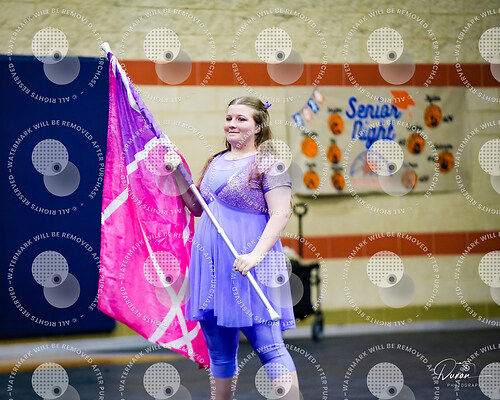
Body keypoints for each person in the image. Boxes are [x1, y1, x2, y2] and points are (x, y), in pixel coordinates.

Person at [182, 97, 299, 399]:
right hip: (213, 267)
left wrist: (256, 255)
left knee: (270, 347)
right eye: (229, 118)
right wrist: (177, 176)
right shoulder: (215, 162)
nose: (232, 124)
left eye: (241, 119)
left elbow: (281, 213)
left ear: (258, 127)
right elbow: (198, 208)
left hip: (251, 265)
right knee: (219, 354)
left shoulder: (269, 162)